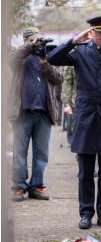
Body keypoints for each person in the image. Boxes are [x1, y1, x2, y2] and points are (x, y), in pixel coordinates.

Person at [47, 15, 101, 230]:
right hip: (86, 116)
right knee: (85, 171)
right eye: (99, 32)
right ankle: (86, 213)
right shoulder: (80, 51)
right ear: (91, 33)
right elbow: (53, 59)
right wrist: (73, 41)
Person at [8, 27, 64, 202]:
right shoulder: (19, 57)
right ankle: (18, 187)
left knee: (41, 153)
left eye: (38, 40)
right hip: (22, 113)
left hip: (44, 114)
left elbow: (59, 78)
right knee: (19, 151)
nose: (36, 43)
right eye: (32, 40)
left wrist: (44, 61)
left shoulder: (47, 57)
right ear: (25, 40)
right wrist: (29, 47)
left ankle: (37, 186)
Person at [61, 66, 76, 147]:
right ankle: (72, 141)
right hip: (75, 101)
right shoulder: (73, 56)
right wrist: (66, 103)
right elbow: (67, 82)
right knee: (72, 123)